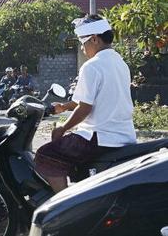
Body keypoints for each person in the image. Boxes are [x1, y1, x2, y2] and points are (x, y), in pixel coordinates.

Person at [34, 15, 137, 193]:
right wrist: (64, 107)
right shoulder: (120, 63)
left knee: (45, 155)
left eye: (83, 42)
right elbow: (89, 100)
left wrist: (62, 128)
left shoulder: (91, 66)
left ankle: (63, 205)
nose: (82, 49)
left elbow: (85, 108)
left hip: (99, 137)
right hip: (124, 135)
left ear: (95, 39)